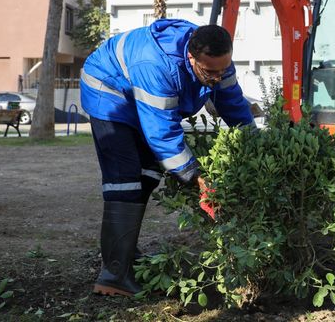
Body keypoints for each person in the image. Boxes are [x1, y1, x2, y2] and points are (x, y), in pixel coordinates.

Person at [80, 20, 255, 297]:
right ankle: (113, 275)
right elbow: (162, 134)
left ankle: (127, 254)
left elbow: (233, 103)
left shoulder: (217, 62)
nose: (218, 77)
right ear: (191, 57)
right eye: (210, 72)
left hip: (138, 93)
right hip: (109, 91)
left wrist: (253, 144)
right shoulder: (156, 66)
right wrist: (199, 179)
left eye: (223, 70)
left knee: (148, 174)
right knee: (124, 179)